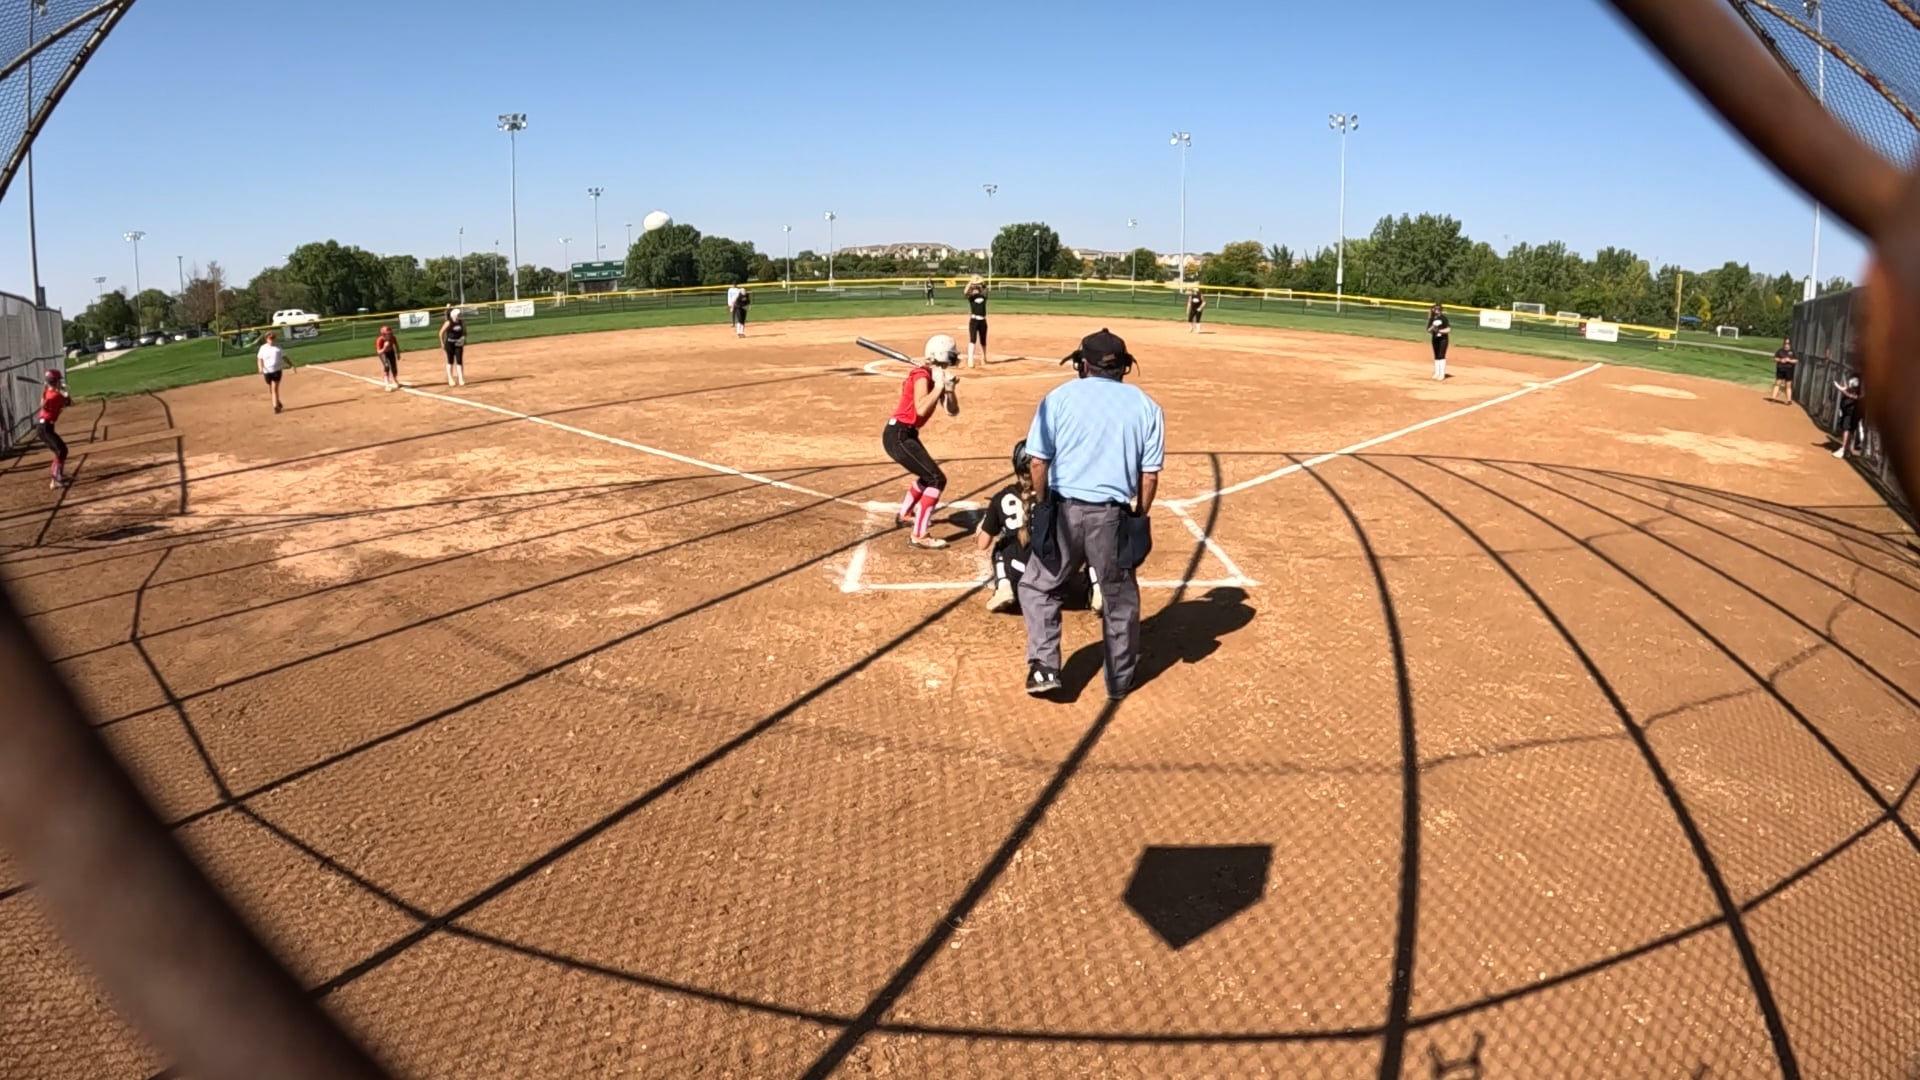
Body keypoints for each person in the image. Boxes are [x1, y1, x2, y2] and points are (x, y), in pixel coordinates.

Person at [1019, 328, 1164, 699]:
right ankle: (1119, 680)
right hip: (1112, 517)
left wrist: (1042, 503)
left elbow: (1037, 462)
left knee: (1038, 586)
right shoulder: (1147, 406)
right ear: (1123, 367)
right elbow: (1149, 476)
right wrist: (1138, 515)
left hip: (1064, 511)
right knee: (1119, 598)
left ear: (1083, 364)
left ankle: (1044, 667)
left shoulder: (1057, 398)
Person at [977, 438, 1099, 614]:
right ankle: (1098, 589)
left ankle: (1004, 586)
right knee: (1087, 538)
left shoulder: (1001, 497)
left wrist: (983, 524)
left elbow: (982, 544)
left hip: (1021, 575)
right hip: (1058, 574)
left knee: (1001, 547)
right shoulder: (1059, 494)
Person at [883, 334, 961, 548]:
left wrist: (949, 389)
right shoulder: (921, 375)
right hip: (898, 435)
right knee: (936, 479)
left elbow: (952, 411)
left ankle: (905, 514)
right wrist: (938, 387)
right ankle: (919, 535)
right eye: (950, 356)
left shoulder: (934, 376)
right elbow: (921, 409)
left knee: (928, 476)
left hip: (907, 435)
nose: (952, 360)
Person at [34, 369, 71, 490]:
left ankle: (58, 476)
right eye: (58, 380)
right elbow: (68, 402)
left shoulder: (48, 392)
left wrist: (54, 389)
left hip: (46, 427)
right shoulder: (54, 396)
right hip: (44, 428)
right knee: (61, 451)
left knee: (61, 451)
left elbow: (43, 402)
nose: (60, 382)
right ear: (54, 381)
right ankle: (55, 480)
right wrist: (64, 392)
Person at [257, 332, 290, 413]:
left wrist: (290, 364)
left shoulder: (278, 348)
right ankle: (277, 401)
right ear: (266, 339)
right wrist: (260, 368)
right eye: (270, 338)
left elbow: (284, 357)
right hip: (267, 371)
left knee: (274, 389)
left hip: (276, 370)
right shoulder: (263, 348)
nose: (271, 340)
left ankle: (275, 407)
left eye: (273, 338)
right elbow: (259, 358)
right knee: (271, 389)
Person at [1833, 373, 1864, 459]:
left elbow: (1861, 397)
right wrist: (1844, 388)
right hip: (1847, 407)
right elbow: (1850, 387)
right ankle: (1847, 449)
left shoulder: (1865, 380)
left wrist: (1845, 392)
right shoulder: (1854, 374)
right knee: (1848, 428)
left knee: (1847, 428)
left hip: (1854, 409)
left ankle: (1843, 449)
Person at [439, 308, 467, 386]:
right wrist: (442, 343)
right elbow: (441, 333)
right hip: (449, 344)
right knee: (450, 361)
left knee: (459, 361)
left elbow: (464, 332)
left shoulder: (461, 322)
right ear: (453, 315)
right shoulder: (448, 322)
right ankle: (450, 379)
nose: (459, 316)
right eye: (458, 314)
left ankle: (461, 378)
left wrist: (463, 338)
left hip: (458, 343)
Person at [964, 275, 988, 367]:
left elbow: (985, 289)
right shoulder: (971, 298)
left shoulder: (983, 296)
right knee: (972, 340)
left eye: (976, 289)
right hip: (974, 321)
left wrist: (981, 282)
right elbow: (965, 292)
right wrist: (971, 282)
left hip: (982, 321)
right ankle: (970, 360)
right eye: (974, 289)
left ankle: (983, 358)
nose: (975, 290)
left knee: (983, 340)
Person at [1769, 338, 1797, 405]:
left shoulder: (1793, 352)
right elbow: (1774, 358)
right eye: (1785, 343)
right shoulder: (1780, 351)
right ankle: (1773, 398)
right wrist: (1780, 360)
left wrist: (1789, 360)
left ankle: (1789, 400)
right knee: (1777, 383)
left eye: (1788, 343)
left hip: (1789, 370)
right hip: (1780, 369)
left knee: (1788, 385)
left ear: (1790, 344)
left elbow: (1796, 360)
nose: (1786, 345)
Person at [374, 325, 402, 392]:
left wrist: (398, 353)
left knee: (394, 366)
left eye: (390, 333)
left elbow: (396, 345)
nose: (390, 334)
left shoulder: (393, 338)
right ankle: (387, 384)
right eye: (388, 334)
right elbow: (379, 352)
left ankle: (395, 379)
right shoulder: (380, 340)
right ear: (383, 334)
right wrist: (384, 348)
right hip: (383, 353)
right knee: (386, 366)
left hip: (391, 352)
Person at [1428, 303, 1451, 380]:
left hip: (1443, 339)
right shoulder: (1432, 318)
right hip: (1435, 338)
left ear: (1441, 310)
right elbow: (1428, 330)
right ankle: (1437, 372)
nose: (1436, 311)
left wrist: (1440, 331)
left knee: (1441, 355)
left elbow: (1448, 329)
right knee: (1436, 355)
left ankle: (1442, 374)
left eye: (1438, 309)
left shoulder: (1443, 318)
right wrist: (1433, 326)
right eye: (1435, 309)